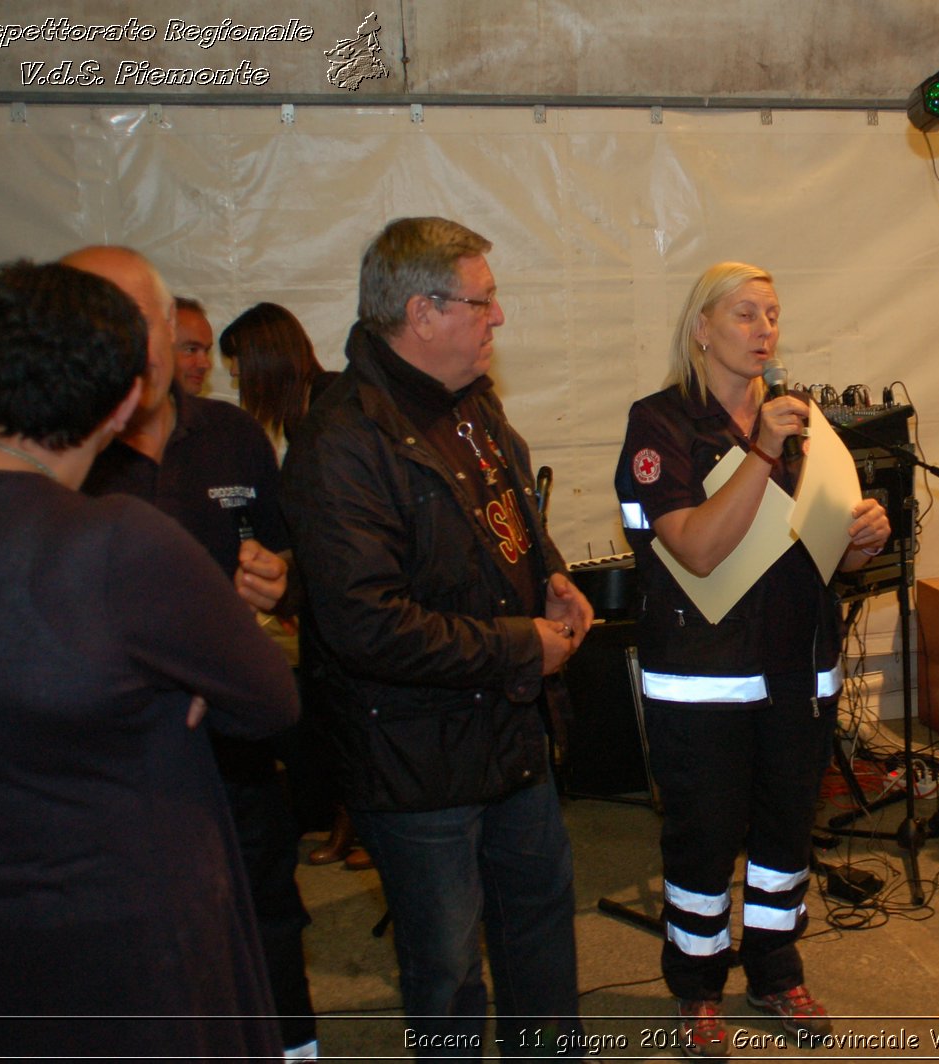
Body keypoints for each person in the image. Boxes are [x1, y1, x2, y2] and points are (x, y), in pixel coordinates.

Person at [0, 260, 299, 1060]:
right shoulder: (116, 542)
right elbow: (268, 699)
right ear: (122, 405)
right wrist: (182, 675)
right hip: (124, 931)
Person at [282, 216, 593, 1058]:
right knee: (449, 969)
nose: (498, 320)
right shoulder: (342, 440)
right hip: (417, 763)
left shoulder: (474, 404)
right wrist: (523, 644)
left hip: (509, 734)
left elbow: (509, 522)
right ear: (422, 313)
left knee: (539, 935)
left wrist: (552, 573)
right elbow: (366, 625)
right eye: (482, 302)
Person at [614, 262, 891, 1057]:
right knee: (702, 838)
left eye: (772, 314)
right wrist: (763, 452)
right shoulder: (660, 424)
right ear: (701, 328)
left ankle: (775, 967)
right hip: (702, 678)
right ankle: (697, 986)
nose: (764, 329)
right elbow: (697, 550)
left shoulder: (801, 424)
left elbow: (818, 552)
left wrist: (858, 538)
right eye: (745, 314)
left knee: (784, 834)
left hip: (798, 670)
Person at [67, 246, 320, 1059]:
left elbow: (297, 568)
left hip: (239, 737)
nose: (195, 359)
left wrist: (281, 583)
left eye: (200, 345)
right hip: (123, 751)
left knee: (267, 914)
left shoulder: (236, 436)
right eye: (182, 342)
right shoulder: (76, 454)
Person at [219, 300, 359, 865]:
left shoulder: (328, 406)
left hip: (344, 588)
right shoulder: (307, 412)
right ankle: (347, 820)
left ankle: (359, 824)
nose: (236, 387)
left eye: (238, 375)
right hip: (323, 585)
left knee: (340, 712)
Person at [221, 301, 341, 459]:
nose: (233, 371)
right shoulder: (295, 417)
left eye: (239, 357)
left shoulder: (333, 398)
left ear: (269, 355)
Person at [174, 295, 216, 396]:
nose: (206, 365)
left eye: (207, 351)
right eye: (191, 350)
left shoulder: (223, 411)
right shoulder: (130, 410)